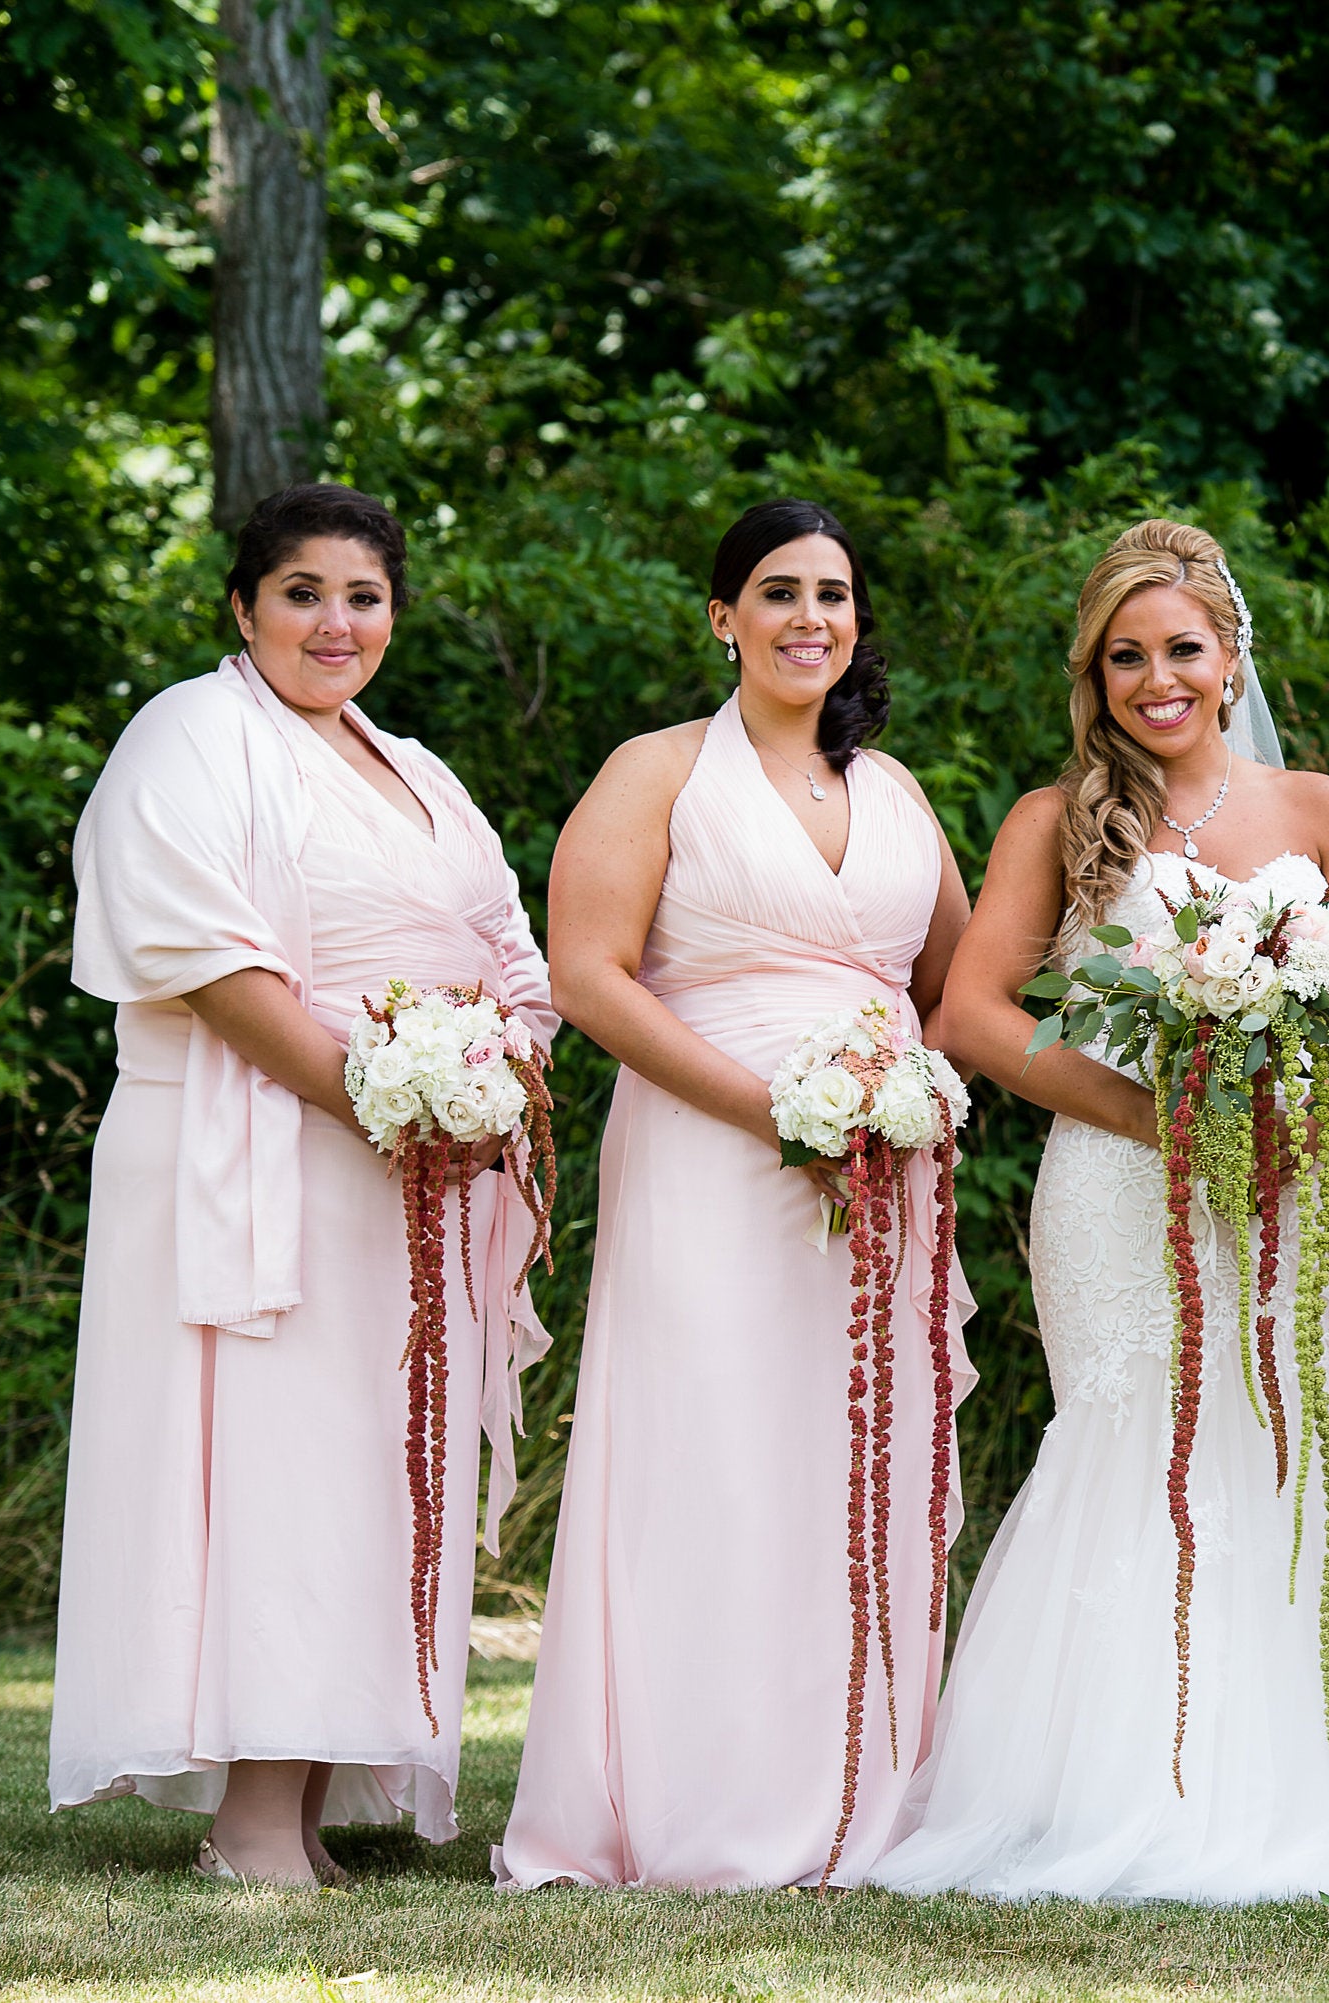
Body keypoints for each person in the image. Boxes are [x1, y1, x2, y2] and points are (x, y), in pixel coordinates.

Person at [873, 518, 1329, 1902]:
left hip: (1293, 1182)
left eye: (1181, 649)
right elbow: (973, 1014)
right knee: (1136, 1432)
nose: (1156, 679)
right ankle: (1116, 1786)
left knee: (1297, 1424)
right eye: (1124, 659)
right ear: (1094, 677)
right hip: (1114, 1184)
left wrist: (1305, 1116)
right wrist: (1147, 1116)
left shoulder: (1318, 811)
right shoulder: (1054, 821)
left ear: (1230, 656)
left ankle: (1322, 1779)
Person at [50, 483, 556, 1885]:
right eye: (304, 594)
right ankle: (251, 1824)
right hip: (267, 1146)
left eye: (365, 597)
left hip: (411, 1175)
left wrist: (494, 1077)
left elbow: (510, 950)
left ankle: (304, 1808)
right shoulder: (193, 736)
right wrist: (380, 1099)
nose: (337, 624)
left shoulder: (416, 769)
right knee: (275, 1471)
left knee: (374, 1474)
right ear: (243, 605)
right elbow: (207, 962)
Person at [497, 500, 974, 1890]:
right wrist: (768, 1108)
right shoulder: (655, 772)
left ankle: (856, 1799)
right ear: (723, 618)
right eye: (778, 592)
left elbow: (954, 982)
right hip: (708, 1157)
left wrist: (908, 1100)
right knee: (710, 1451)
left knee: (851, 1459)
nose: (809, 618)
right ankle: (688, 1804)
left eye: (834, 594)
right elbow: (588, 975)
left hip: (876, 1175)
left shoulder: (895, 791)